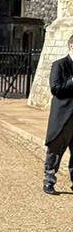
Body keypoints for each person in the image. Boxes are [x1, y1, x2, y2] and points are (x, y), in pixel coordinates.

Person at [43, 33, 73, 195]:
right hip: (63, 117)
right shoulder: (59, 65)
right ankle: (49, 181)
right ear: (71, 46)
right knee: (55, 151)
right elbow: (56, 89)